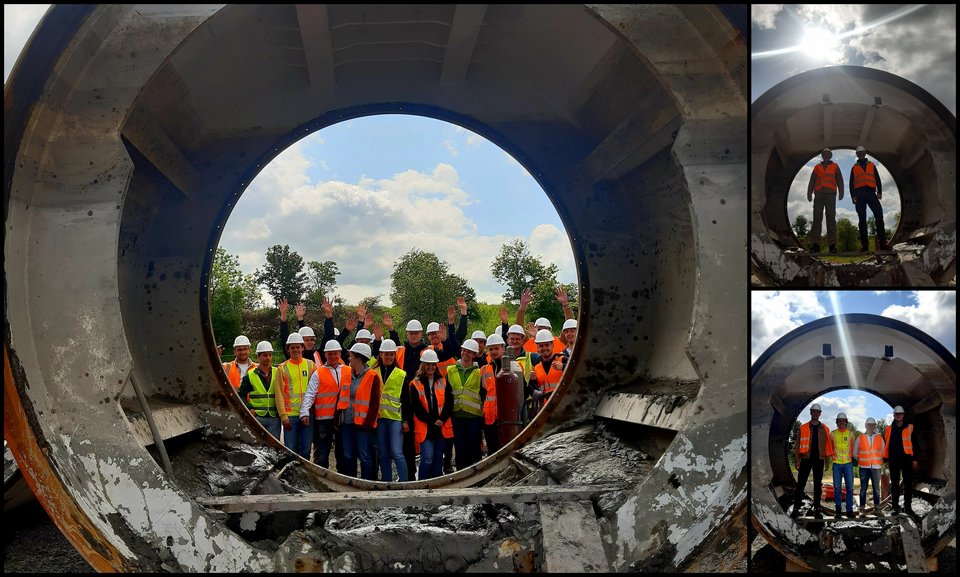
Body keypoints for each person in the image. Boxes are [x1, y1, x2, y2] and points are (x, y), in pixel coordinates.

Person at [300, 340, 349, 469]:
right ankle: (321, 480)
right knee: (322, 453)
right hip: (323, 419)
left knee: (342, 452)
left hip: (341, 419)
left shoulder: (348, 371)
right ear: (325, 355)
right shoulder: (319, 373)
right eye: (330, 354)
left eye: (335, 353)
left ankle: (342, 479)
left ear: (339, 354)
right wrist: (304, 412)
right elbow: (310, 394)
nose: (333, 356)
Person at [337, 343, 380, 481]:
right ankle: (352, 485)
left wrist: (368, 424)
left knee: (365, 457)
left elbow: (374, 404)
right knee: (348, 456)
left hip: (363, 426)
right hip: (346, 423)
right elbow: (341, 397)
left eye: (351, 356)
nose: (349, 358)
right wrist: (337, 419)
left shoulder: (372, 376)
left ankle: (367, 485)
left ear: (359, 358)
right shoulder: (347, 374)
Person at [411, 350, 453, 480]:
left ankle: (436, 487)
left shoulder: (443, 381)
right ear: (423, 365)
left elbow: (449, 403)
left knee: (438, 459)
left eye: (433, 364)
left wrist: (442, 419)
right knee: (428, 458)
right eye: (428, 364)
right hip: (426, 427)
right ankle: (422, 484)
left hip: (441, 427)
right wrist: (432, 421)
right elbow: (417, 407)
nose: (430, 367)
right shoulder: (415, 384)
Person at [372, 339, 408, 482]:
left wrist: (405, 420)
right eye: (386, 354)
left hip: (395, 419)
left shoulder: (401, 374)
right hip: (379, 419)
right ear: (380, 354)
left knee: (397, 452)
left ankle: (404, 485)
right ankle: (387, 483)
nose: (389, 357)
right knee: (383, 454)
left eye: (391, 355)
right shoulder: (373, 373)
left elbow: (406, 400)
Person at [276, 333, 316, 460]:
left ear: (303, 348)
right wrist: (283, 416)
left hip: (307, 414)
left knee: (305, 450)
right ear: (288, 350)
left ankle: (304, 476)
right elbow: (279, 394)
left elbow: (315, 390)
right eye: (292, 347)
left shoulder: (311, 365)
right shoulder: (282, 368)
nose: (295, 350)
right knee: (290, 450)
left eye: (298, 347)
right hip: (290, 416)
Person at [791, 403, 834, 519]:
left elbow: (827, 446)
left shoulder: (825, 428)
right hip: (805, 459)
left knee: (817, 485)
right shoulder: (803, 427)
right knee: (801, 484)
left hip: (819, 460)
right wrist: (797, 460)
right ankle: (796, 508)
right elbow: (797, 445)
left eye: (817, 412)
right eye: (813, 411)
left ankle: (816, 509)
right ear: (810, 413)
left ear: (820, 414)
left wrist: (827, 461)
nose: (815, 413)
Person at [447, 339, 484, 469]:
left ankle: (477, 477)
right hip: (457, 415)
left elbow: (483, 393)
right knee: (459, 449)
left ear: (474, 354)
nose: (465, 353)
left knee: (474, 448)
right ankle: (461, 476)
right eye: (463, 351)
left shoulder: (479, 372)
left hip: (474, 417)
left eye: (469, 352)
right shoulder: (450, 370)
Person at [237, 341, 282, 439]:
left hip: (274, 417)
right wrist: (249, 409)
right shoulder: (250, 375)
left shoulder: (278, 372)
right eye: (265, 355)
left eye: (270, 355)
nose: (268, 358)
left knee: (274, 447)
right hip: (257, 417)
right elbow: (241, 395)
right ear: (258, 356)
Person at [849, 145, 890, 252]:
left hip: (871, 193)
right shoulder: (854, 167)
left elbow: (877, 178)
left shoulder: (871, 165)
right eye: (859, 153)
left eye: (862, 152)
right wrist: (853, 196)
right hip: (859, 194)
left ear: (865, 153)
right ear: (857, 155)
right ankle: (865, 245)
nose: (861, 154)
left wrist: (879, 191)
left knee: (879, 217)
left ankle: (883, 244)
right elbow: (851, 184)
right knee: (862, 220)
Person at [806, 148, 844, 254]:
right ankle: (815, 245)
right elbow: (812, 180)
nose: (826, 155)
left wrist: (841, 192)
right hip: (818, 194)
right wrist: (809, 193)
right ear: (822, 156)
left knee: (831, 218)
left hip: (831, 194)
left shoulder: (835, 166)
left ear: (830, 156)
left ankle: (832, 245)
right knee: (817, 218)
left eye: (828, 154)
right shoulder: (817, 167)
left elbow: (839, 179)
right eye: (824, 154)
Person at [884, 405, 917, 516]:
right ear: (894, 415)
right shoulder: (888, 429)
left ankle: (908, 507)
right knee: (894, 484)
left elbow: (916, 444)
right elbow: (887, 445)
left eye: (900, 414)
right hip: (894, 460)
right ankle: (895, 507)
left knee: (908, 484)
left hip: (907, 459)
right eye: (896, 414)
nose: (898, 416)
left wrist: (915, 459)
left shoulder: (910, 427)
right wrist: (886, 460)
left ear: (903, 415)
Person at [480, 333, 505, 457]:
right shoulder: (484, 370)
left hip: (506, 417)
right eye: (491, 349)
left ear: (503, 348)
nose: (493, 351)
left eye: (496, 348)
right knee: (492, 450)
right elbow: (482, 394)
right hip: (489, 417)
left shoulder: (512, 366)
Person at [853, 417, 885, 516]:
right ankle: (862, 509)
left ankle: (877, 509)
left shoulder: (879, 438)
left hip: (876, 468)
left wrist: (879, 462)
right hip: (864, 468)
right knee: (863, 488)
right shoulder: (860, 437)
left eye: (872, 425)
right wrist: (861, 460)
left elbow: (884, 452)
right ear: (865, 426)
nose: (870, 426)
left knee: (876, 489)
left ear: (875, 426)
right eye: (869, 425)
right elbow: (854, 453)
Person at [532, 329, 567, 412]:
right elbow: (535, 392)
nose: (544, 348)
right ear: (537, 348)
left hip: (563, 407)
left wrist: (563, 367)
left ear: (552, 345)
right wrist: (532, 381)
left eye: (547, 345)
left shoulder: (563, 360)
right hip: (545, 411)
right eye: (541, 346)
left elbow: (576, 372)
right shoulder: (536, 368)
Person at [830, 413, 855, 518]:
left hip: (848, 464)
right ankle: (838, 511)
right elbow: (830, 448)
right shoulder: (832, 434)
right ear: (837, 422)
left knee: (850, 488)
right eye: (839, 421)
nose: (841, 423)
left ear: (846, 422)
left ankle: (849, 511)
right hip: (837, 464)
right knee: (837, 488)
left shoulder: (851, 434)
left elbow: (853, 449)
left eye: (843, 421)